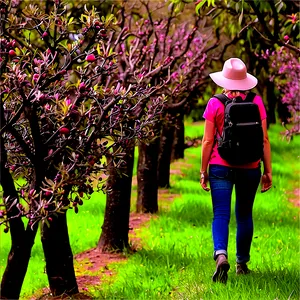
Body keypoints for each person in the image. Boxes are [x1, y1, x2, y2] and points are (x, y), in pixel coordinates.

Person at [200, 58, 272, 283]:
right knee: (244, 215)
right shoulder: (256, 101)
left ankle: (221, 254)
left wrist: (203, 171)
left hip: (220, 165)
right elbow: (265, 139)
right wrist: (267, 171)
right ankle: (242, 263)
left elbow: (207, 140)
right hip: (250, 167)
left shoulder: (215, 103)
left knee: (221, 213)